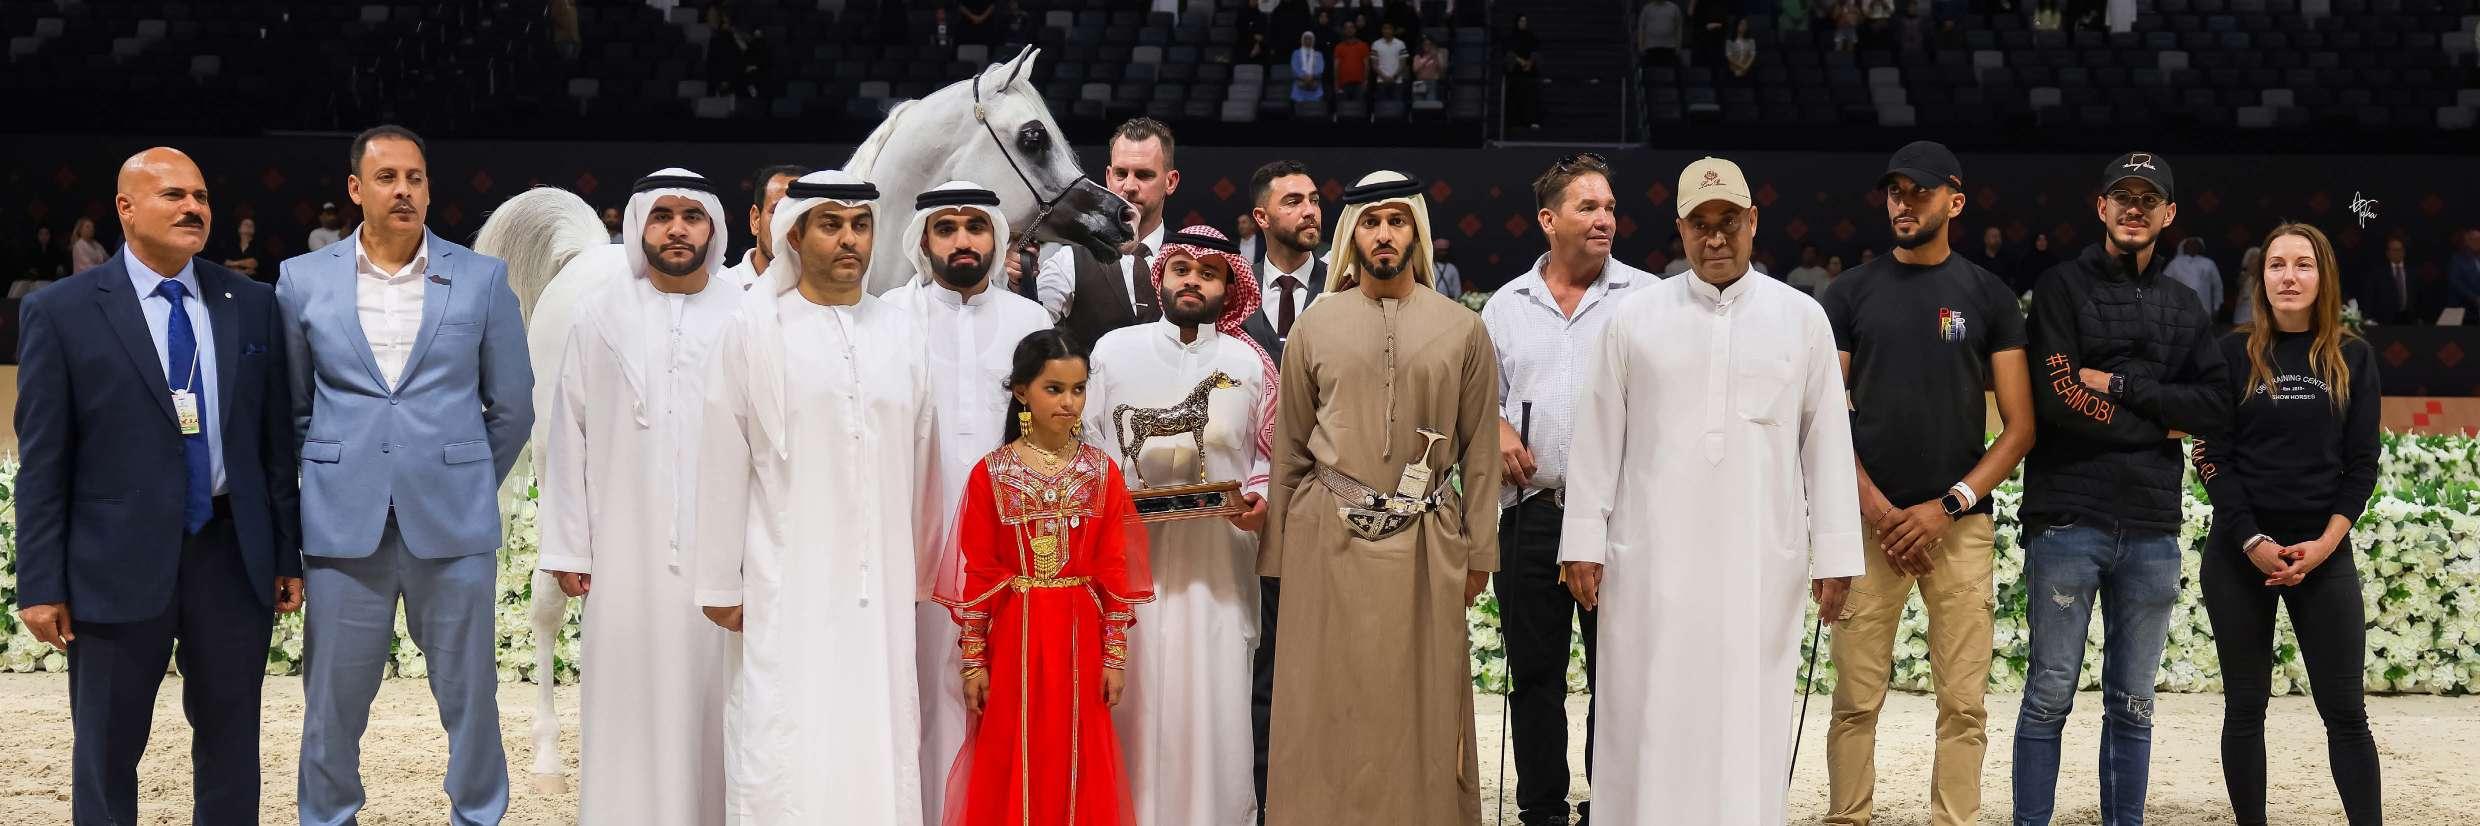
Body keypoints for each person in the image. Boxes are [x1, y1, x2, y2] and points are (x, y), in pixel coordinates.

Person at [1557, 156, 1863, 825]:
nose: (1716, 237)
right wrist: (1582, 542)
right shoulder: (1635, 318)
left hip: (1759, 561)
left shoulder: (1801, 319)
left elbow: (1826, 445)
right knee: (1649, 709)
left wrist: (1837, 554)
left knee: (1747, 713)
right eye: (1701, 223)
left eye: (1729, 221)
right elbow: (1598, 437)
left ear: (1753, 221)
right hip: (1652, 565)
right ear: (1681, 229)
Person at [12, 146, 302, 826]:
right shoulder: (62, 310)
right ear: (125, 208)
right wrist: (40, 581)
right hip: (112, 562)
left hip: (231, 555)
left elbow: (273, 445)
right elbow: (44, 460)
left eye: (201, 197)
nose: (193, 207)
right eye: (174, 195)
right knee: (107, 749)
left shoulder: (252, 303)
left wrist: (286, 552)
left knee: (233, 745)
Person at [281, 124, 534, 826]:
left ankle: (477, 816)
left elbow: (512, 406)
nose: (403, 190)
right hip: (342, 526)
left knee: (471, 696)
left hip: (452, 525)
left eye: (415, 178)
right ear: (355, 189)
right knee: (330, 702)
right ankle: (327, 817)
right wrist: (338, 474)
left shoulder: (480, 278)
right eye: (387, 177)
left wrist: (462, 477)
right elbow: (294, 408)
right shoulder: (302, 280)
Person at [690, 169, 941, 825]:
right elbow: (721, 456)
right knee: (785, 727)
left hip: (880, 583)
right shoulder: (755, 330)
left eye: (861, 225)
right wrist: (719, 580)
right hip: (783, 576)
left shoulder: (901, 332)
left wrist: (920, 566)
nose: (849, 239)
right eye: (831, 225)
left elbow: (924, 458)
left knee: (876, 727)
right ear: (794, 236)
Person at [1261, 170, 1500, 826]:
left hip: (1427, 544)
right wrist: (1280, 553)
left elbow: (1481, 452)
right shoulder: (1314, 326)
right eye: (1371, 222)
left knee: (1422, 701)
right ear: (1353, 234)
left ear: (1416, 231)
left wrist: (1480, 552)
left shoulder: (1462, 329)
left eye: (1397, 221)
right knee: (1324, 701)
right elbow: (1290, 449)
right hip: (1326, 541)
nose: (1385, 234)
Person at [1820, 142, 2035, 826]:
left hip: (1959, 528)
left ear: (1955, 201)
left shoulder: (1989, 295)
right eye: (1895, 191)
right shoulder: (1849, 293)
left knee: (1964, 706)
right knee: (1854, 703)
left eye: (1919, 191)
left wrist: (1946, 507)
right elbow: (1822, 418)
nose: (1904, 203)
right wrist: (1878, 509)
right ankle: (1847, 818)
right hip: (1870, 528)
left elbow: (2020, 429)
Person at [2013, 152, 2230, 825]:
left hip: (2151, 526)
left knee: (2134, 704)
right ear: (2101, 206)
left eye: (2148, 199)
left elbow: (2215, 407)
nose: (2134, 209)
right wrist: (2160, 422)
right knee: (2049, 695)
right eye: (2123, 197)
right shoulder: (2059, 288)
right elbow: (2057, 399)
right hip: (2066, 517)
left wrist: (2122, 387)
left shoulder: (2185, 305)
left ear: (2169, 214)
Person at [535, 168, 737, 826]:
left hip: (722, 559)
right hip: (622, 555)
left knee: (720, 711)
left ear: (713, 228)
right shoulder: (599, 314)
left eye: (691, 216)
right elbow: (568, 434)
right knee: (624, 704)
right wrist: (569, 546)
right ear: (637, 226)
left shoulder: (745, 314)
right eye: (662, 216)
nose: (677, 229)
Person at [1481, 152, 1654, 826]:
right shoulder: (1506, 306)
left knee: (1620, 676)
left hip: (1619, 518)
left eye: (1609, 207)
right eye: (1588, 207)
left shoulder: (1646, 299)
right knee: (1534, 677)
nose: (1604, 218)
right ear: (1548, 220)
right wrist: (1495, 426)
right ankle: (1543, 810)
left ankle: (1611, 806)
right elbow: (1477, 402)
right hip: (1532, 513)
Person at [2192, 222, 2384, 826]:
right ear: (2261, 278)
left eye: (2303, 264)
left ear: (2323, 277)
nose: (2289, 276)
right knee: (2245, 708)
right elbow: (2211, 456)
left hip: (2322, 554)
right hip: (2240, 554)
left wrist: (2325, 544)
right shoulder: (2229, 353)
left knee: (2346, 712)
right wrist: (2252, 539)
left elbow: (2362, 464)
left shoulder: (2354, 356)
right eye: (2277, 265)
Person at [1086, 226, 1277, 826]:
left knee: (1214, 701)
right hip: (1127, 569)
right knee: (1132, 699)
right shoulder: (1114, 351)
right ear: (1161, 277)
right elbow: (1088, 444)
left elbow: (1270, 457)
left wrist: (1259, 501)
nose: (1193, 281)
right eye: (1182, 269)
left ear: (1229, 288)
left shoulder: (1249, 363)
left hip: (1218, 567)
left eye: (1208, 273)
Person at [879, 180, 1053, 826]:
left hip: (1007, 543)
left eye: (975, 227)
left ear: (996, 238)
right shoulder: (889, 318)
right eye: (946, 228)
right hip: (912, 538)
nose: (961, 241)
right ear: (923, 239)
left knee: (1003, 692)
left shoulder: (1030, 323)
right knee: (919, 690)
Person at [1033, 118, 1178, 344]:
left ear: (1170, 182)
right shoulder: (1069, 261)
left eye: (1144, 175)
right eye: (1121, 173)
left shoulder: (1190, 258)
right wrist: (1019, 283)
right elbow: (1032, 328)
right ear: (1109, 178)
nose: (1129, 186)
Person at [1242, 160, 1327, 364]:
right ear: (1262, 217)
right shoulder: (1237, 290)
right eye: (1293, 202)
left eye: (1314, 200)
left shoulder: (1341, 285)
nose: (1310, 211)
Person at [720, 164, 811, 289]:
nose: (790, 224)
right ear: (755, 219)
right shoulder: (719, 289)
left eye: (802, 213)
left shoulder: (833, 293)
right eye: (779, 210)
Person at [2354, 235, 2419, 325]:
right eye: (2394, 250)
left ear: (2404, 252)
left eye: (2399, 250)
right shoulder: (2378, 273)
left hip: (2409, 320)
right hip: (2385, 321)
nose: (2397, 253)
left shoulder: (2413, 272)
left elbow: (2418, 296)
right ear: (2388, 253)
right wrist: (2368, 318)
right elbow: (2370, 297)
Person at [2166, 236, 2225, 324]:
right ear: (2184, 247)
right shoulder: (2175, 263)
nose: (2192, 247)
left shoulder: (2208, 263)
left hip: (2203, 308)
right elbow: (2164, 284)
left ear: (2200, 247)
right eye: (2190, 244)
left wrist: (2217, 307)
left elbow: (2217, 286)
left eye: (2195, 244)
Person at [1505, 15, 1541, 130]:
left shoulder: (1530, 36)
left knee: (1530, 97)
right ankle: (1515, 121)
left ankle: (1529, 120)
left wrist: (1529, 63)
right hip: (1515, 72)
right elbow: (1509, 52)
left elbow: (1535, 50)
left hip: (1529, 72)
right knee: (1515, 96)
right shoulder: (1512, 37)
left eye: (1525, 21)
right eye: (1521, 21)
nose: (1523, 23)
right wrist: (1521, 62)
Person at [218, 216, 269, 281]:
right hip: (232, 281)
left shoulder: (258, 246)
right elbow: (225, 264)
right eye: (245, 224)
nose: (248, 226)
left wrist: (233, 263)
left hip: (252, 281)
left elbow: (253, 263)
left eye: (251, 225)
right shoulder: (231, 246)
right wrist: (244, 271)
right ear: (239, 229)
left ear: (254, 230)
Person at [1638, 0, 1684, 67]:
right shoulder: (1646, 9)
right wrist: (1640, 46)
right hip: (1650, 48)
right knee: (1651, 72)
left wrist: (1678, 47)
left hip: (1670, 48)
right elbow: (1641, 29)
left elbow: (1679, 29)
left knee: (1669, 71)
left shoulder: (1674, 8)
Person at [1332, 22, 1371, 99]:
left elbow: (1367, 65)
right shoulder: (1339, 47)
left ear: (1355, 30)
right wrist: (1336, 83)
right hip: (1343, 84)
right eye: (1346, 28)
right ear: (1344, 31)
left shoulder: (1363, 45)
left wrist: (1366, 81)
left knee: (1359, 106)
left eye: (1351, 27)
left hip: (1359, 84)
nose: (1349, 30)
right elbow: (1336, 67)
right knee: (1343, 106)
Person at [2449, 228, 2480, 320]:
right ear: (2468, 242)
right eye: (2475, 240)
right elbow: (2456, 284)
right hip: (2463, 309)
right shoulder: (2457, 259)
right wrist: (2475, 298)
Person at [1370, 22, 1409, 94]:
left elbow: (1403, 64)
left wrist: (1394, 77)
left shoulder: (1400, 44)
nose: (1387, 31)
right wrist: (1384, 77)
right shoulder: (1376, 44)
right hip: (1381, 81)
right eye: (1385, 28)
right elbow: (1374, 65)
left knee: (1397, 101)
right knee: (1381, 101)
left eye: (1389, 28)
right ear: (1382, 30)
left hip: (1397, 81)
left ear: (1393, 30)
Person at [1290, 31, 1327, 102]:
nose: (1307, 40)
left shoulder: (1318, 54)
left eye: (1310, 39)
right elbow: (1294, 67)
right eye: (1305, 38)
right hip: (1299, 88)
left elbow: (1320, 68)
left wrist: (1311, 76)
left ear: (1313, 40)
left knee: (1315, 108)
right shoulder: (1296, 53)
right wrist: (1304, 77)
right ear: (1302, 40)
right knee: (1299, 108)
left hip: (1315, 87)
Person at [1412, 33, 1447, 101]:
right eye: (1425, 44)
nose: (1427, 46)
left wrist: (1437, 56)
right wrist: (1429, 57)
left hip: (1432, 82)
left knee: (1430, 103)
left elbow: (1442, 69)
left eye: (1429, 44)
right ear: (1422, 45)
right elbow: (1415, 69)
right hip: (1419, 82)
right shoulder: (1418, 56)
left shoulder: (1437, 55)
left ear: (1433, 45)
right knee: (1418, 104)